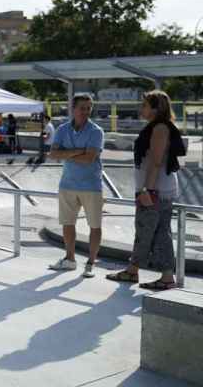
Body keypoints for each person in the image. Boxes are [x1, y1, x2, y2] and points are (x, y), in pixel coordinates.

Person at [107, 91, 186, 290]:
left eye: (144, 105)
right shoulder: (158, 126)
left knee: (148, 230)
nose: (141, 108)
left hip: (155, 190)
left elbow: (156, 161)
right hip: (159, 189)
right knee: (157, 231)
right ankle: (151, 274)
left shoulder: (159, 128)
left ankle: (145, 273)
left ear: (155, 108)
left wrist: (147, 190)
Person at [48, 93, 105, 277]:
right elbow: (53, 154)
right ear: (73, 109)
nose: (86, 112)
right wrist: (78, 151)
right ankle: (70, 259)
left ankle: (90, 264)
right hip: (68, 184)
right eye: (82, 108)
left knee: (95, 225)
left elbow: (89, 159)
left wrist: (67, 153)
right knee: (67, 223)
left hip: (91, 186)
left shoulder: (96, 131)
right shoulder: (62, 129)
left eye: (89, 108)